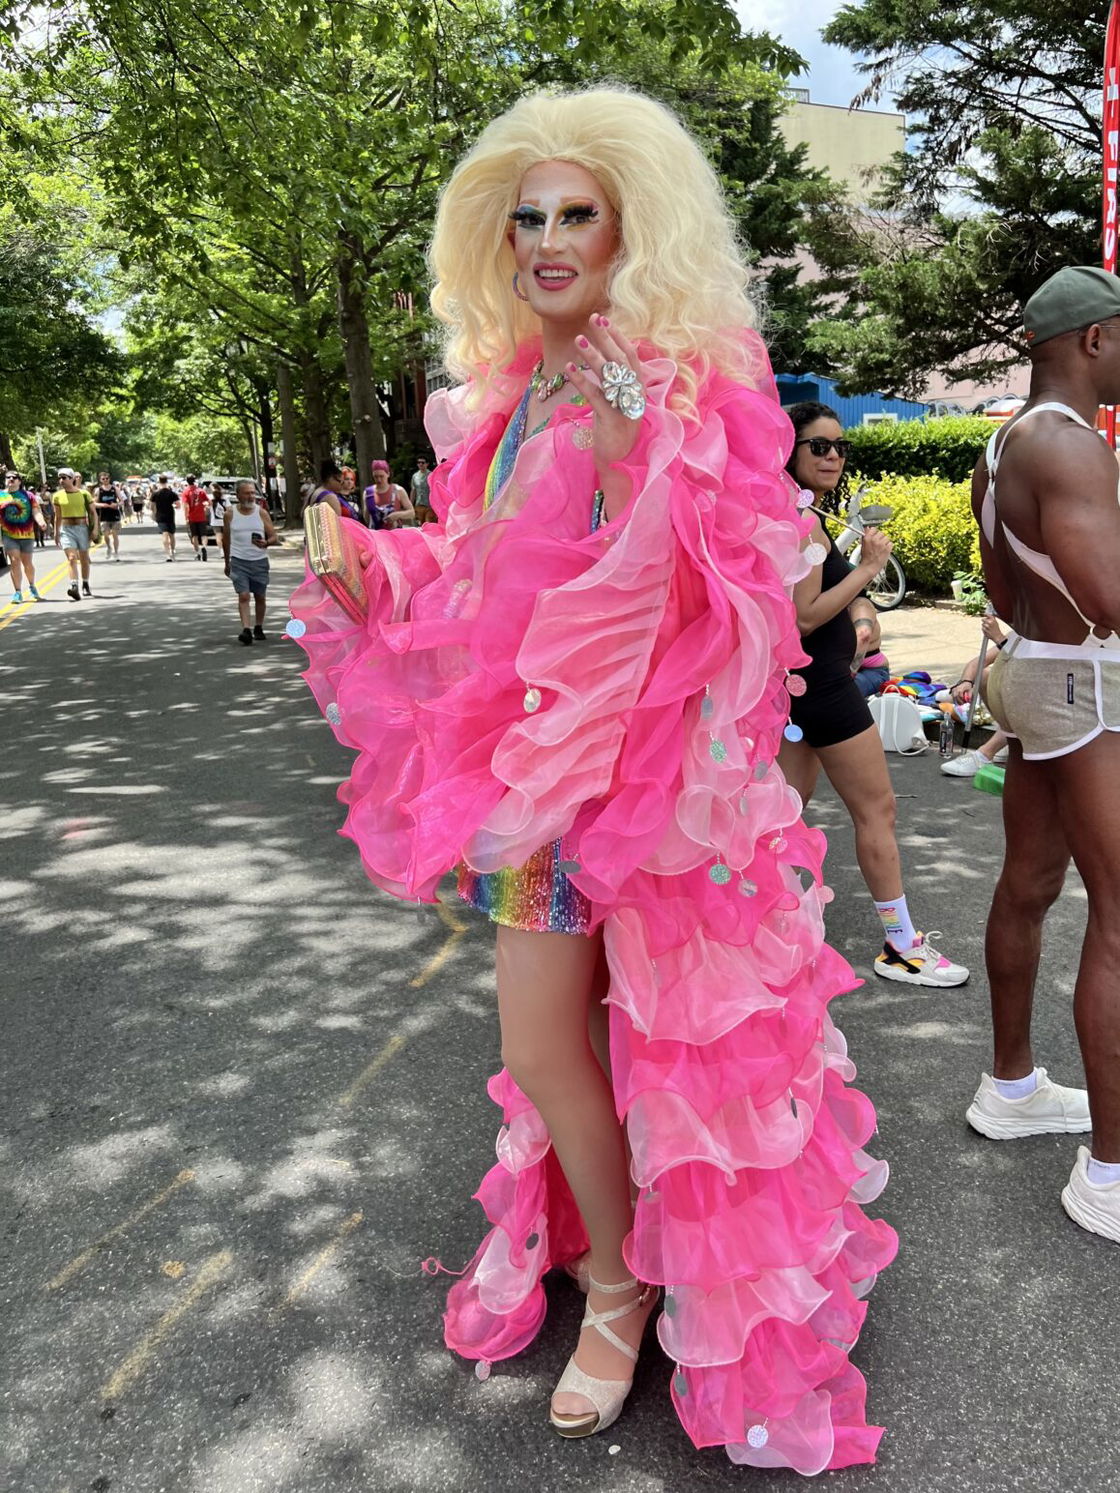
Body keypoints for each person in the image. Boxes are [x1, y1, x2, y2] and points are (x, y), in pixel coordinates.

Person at [288, 88, 897, 1471]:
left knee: (682, 1052)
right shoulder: (506, 407)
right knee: (540, 1047)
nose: (550, 240)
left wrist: (635, 466)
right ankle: (616, 1274)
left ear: (634, 234)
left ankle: (637, 1290)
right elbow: (478, 588)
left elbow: (726, 588)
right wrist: (370, 567)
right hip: (535, 786)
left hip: (650, 792)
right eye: (529, 218)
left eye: (579, 215)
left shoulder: (670, 387)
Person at [967, 264, 1120, 1239]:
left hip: (1029, 666)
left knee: (1027, 883)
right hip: (1081, 682)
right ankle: (1108, 1173)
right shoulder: (1068, 446)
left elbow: (996, 579)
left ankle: (1010, 1085)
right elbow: (1110, 600)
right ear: (1093, 339)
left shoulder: (998, 444)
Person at [779, 401, 969, 988]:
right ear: (788, 450)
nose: (833, 455)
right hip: (825, 690)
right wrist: (869, 568)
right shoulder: (800, 519)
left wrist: (859, 618)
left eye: (841, 446)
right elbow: (805, 615)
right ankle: (902, 946)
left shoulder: (793, 512)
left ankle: (764, 934)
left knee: (780, 819)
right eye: (819, 445)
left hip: (800, 688)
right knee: (877, 811)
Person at [939, 613, 1011, 777]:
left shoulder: (1050, 633)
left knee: (1025, 690)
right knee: (983, 675)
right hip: (1017, 707)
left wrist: (999, 638)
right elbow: (976, 663)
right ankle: (1010, 739)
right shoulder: (1022, 633)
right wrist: (966, 682)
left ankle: (984, 755)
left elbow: (1029, 668)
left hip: (1046, 704)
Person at [223, 479, 279, 644]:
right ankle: (246, 630)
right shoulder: (230, 514)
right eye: (247, 493)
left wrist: (266, 543)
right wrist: (227, 562)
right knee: (244, 595)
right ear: (238, 495)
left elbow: (274, 536)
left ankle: (258, 627)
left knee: (260, 596)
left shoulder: (261, 513)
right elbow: (226, 539)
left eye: (253, 493)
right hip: (239, 561)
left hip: (259, 561)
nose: (251, 496)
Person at [53, 468, 98, 599]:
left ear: (72, 479)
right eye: (60, 478)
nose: (62, 480)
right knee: (72, 558)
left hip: (82, 528)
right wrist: (56, 533)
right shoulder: (57, 496)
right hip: (66, 529)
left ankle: (85, 583)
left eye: (65, 477)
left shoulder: (84, 494)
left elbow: (93, 513)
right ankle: (74, 586)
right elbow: (58, 516)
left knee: (84, 558)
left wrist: (94, 529)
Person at [1, 472, 41, 602]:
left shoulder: (28, 496)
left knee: (27, 563)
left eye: (15, 477)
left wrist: (41, 521)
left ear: (19, 481)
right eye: (9, 477)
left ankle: (31, 585)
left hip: (27, 534)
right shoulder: (1, 496)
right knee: (14, 561)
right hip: (8, 535)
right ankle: (17, 592)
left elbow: (36, 511)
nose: (11, 479)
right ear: (5, 480)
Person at [850, 596, 890, 697]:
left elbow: (863, 635)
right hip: (840, 669)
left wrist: (846, 675)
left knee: (840, 690)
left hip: (872, 672)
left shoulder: (861, 605)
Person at [364, 459, 414, 528]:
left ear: (388, 474)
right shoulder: (368, 493)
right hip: (375, 534)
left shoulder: (398, 490)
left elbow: (411, 513)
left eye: (381, 476)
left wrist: (397, 515)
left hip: (395, 534)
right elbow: (366, 517)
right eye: (376, 476)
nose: (379, 480)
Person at [92, 470, 123, 560]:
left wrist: (116, 505)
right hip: (104, 515)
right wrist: (103, 505)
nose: (105, 480)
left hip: (114, 514)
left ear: (109, 479)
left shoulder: (115, 489)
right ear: (100, 480)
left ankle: (116, 552)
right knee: (106, 534)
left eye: (107, 478)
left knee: (115, 534)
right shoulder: (99, 490)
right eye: (103, 479)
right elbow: (94, 503)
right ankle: (109, 547)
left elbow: (121, 501)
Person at [181, 475, 211, 560]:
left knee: (194, 536)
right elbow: (209, 502)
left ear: (187, 481)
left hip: (192, 517)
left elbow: (186, 506)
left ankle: (198, 553)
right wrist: (205, 506)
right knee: (204, 535)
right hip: (201, 516)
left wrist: (186, 517)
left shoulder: (186, 492)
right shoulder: (201, 491)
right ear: (195, 480)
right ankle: (204, 547)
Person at [150, 475, 178, 560]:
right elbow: (178, 504)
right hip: (170, 514)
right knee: (171, 534)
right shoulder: (172, 493)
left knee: (164, 534)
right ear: (166, 481)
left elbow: (151, 506)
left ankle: (167, 554)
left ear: (159, 481)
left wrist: (154, 513)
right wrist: (173, 505)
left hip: (160, 515)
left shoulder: (155, 493)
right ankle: (172, 551)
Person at [410, 455, 433, 521]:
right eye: (418, 462)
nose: (420, 464)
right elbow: (413, 490)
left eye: (422, 462)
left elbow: (435, 490)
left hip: (430, 506)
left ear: (427, 464)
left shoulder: (431, 475)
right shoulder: (415, 476)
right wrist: (410, 504)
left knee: (428, 525)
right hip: (419, 504)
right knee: (421, 526)